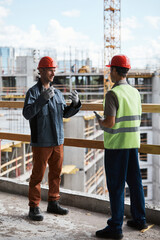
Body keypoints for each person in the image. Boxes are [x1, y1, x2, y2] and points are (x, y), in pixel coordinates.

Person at [95, 55, 147, 239]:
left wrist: (99, 121)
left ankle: (116, 227)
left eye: (111, 70)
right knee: (135, 183)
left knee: (116, 186)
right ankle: (140, 219)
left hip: (117, 146)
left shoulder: (112, 94)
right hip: (132, 144)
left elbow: (109, 123)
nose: (109, 73)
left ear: (116, 71)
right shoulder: (135, 92)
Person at [23, 56, 81, 221]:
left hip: (58, 141)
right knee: (37, 176)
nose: (53, 73)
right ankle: (33, 207)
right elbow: (27, 114)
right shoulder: (33, 92)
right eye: (50, 70)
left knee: (56, 173)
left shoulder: (57, 93)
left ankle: (53, 203)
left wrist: (75, 105)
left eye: (54, 70)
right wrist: (41, 100)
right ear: (40, 71)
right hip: (42, 142)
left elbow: (64, 114)